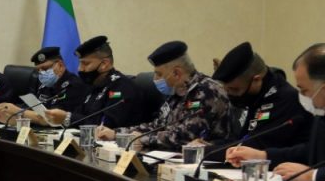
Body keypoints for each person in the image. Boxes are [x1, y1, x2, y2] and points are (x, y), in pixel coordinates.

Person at [95, 41, 230, 151]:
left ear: (176, 73)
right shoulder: (176, 91)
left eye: (159, 74)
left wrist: (141, 139)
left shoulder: (206, 91)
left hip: (205, 163)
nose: (155, 79)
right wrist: (117, 133)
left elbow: (185, 136)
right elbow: (157, 126)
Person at [227, 43, 325, 181]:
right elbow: (311, 150)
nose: (302, 96)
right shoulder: (320, 114)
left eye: (304, 90)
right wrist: (262, 155)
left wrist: (314, 175)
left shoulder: (287, 99)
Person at [209, 42, 309, 155]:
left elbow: (253, 147)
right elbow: (241, 139)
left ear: (256, 80)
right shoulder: (256, 98)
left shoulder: (285, 99)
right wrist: (209, 145)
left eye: (235, 89)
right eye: (227, 90)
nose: (231, 95)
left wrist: (202, 152)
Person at [69, 35, 159, 129]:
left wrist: (68, 118)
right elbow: (79, 114)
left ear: (104, 64)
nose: (80, 69)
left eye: (85, 64)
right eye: (80, 63)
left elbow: (106, 125)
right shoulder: (93, 86)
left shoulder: (122, 87)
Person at [0, 46, 89, 126]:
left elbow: (52, 118)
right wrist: (4, 111)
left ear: (60, 65)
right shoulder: (43, 84)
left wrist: (18, 111)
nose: (42, 73)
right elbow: (31, 108)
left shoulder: (74, 85)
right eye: (38, 70)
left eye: (45, 68)